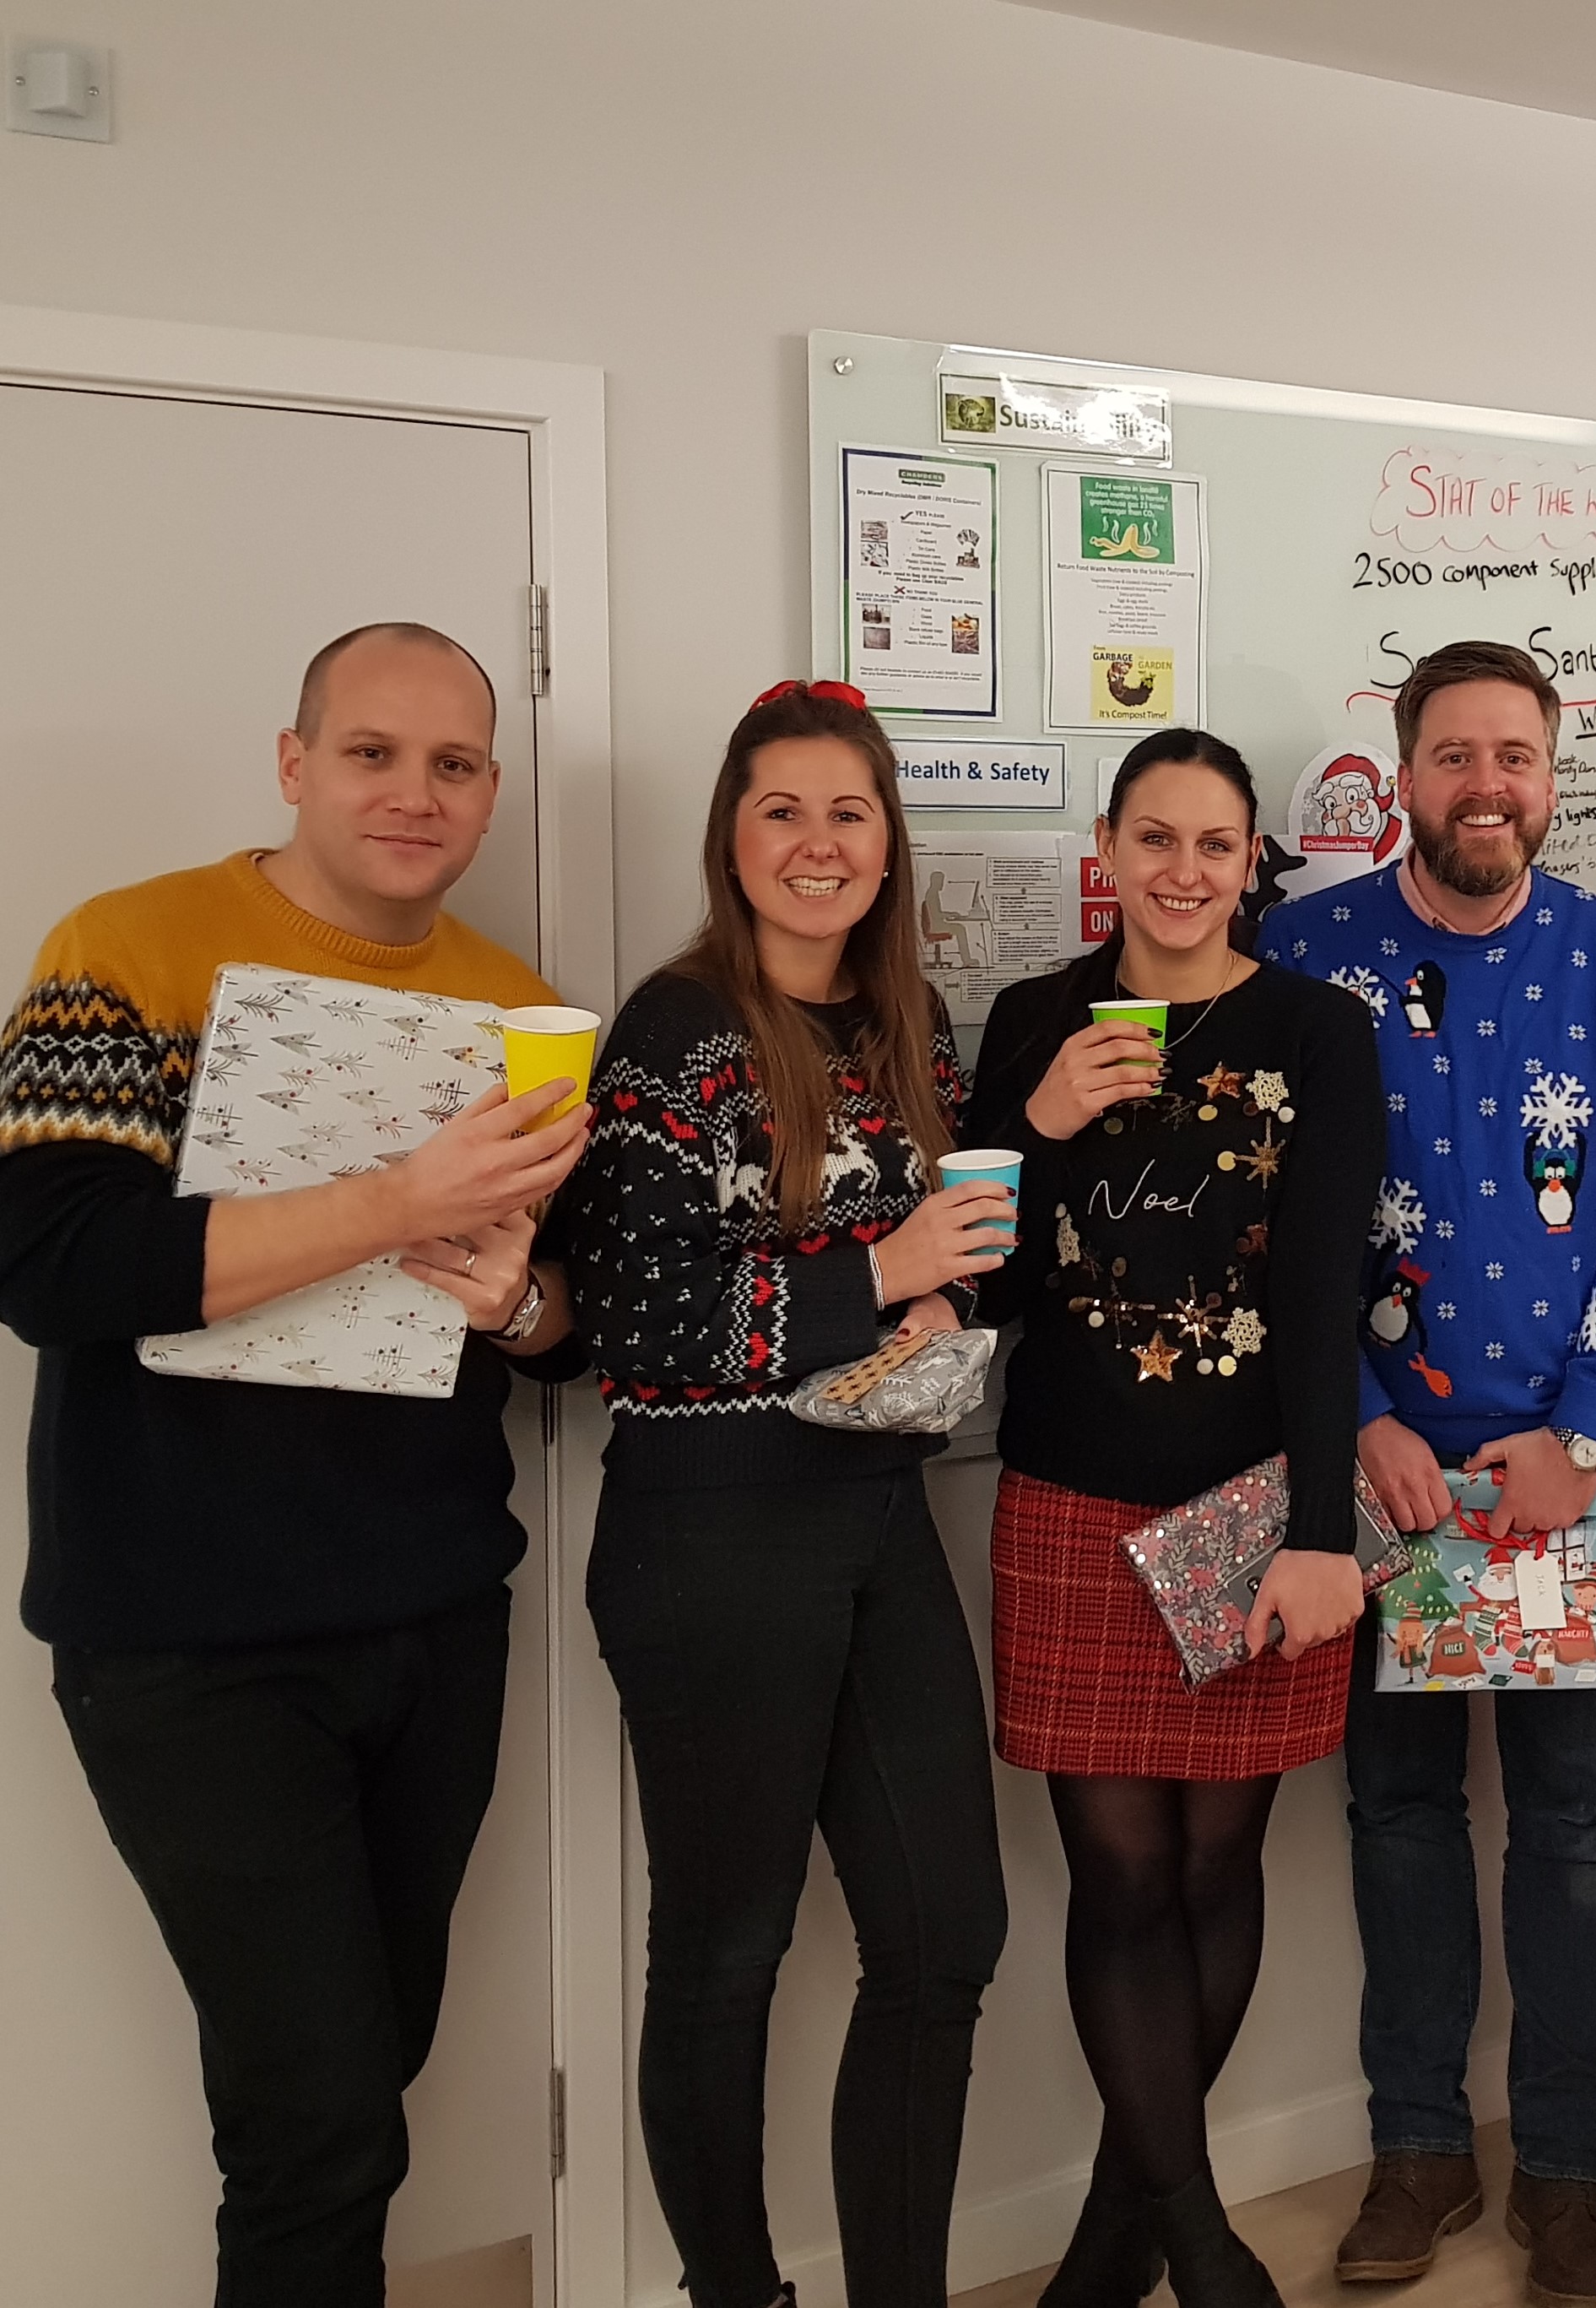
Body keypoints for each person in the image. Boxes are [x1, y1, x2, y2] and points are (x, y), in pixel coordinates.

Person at [0, 622, 592, 2306]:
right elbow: (52, 1270)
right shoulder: (128, 947)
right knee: (317, 2113)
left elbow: (569, 1330)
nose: (416, 793)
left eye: (456, 763)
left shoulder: (511, 1004)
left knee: (364, 2067)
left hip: (428, 1607)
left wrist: (524, 1299)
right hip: (184, 1630)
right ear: (294, 759)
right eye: (372, 753)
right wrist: (398, 1201)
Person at [558, 680, 1013, 2308]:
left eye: (849, 812)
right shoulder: (675, 1027)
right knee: (727, 1952)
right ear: (731, 839)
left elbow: (929, 1271)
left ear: (888, 843)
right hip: (710, 1528)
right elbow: (628, 1316)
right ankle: (733, 2292)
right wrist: (881, 1265)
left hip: (877, 1513)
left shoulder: (913, 1031)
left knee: (946, 1932)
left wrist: (947, 1299)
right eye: (783, 811)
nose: (817, 844)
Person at [1262, 642, 1596, 2308]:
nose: (1486, 784)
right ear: (1402, 768)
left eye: (1515, 754)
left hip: (1554, 1468)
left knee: (1573, 1819)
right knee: (1394, 1807)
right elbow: (1274, 1219)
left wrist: (1578, 1432)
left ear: (1551, 768)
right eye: (1455, 755)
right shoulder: (1305, 952)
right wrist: (1360, 1412)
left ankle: (1567, 2169)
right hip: (1376, 1470)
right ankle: (1420, 2146)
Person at [969, 729, 1382, 2308]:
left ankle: (1112, 2222)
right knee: (1119, 1879)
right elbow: (984, 1282)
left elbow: (1321, 1289)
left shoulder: (1314, 1029)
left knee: (1218, 1866)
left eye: (1218, 843)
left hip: (1256, 1506)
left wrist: (1326, 1530)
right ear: (1108, 847)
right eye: (1156, 837)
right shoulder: (1032, 1023)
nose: (1185, 870)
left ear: (1252, 860)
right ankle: (1196, 2234)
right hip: (1071, 1494)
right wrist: (1038, 1122)